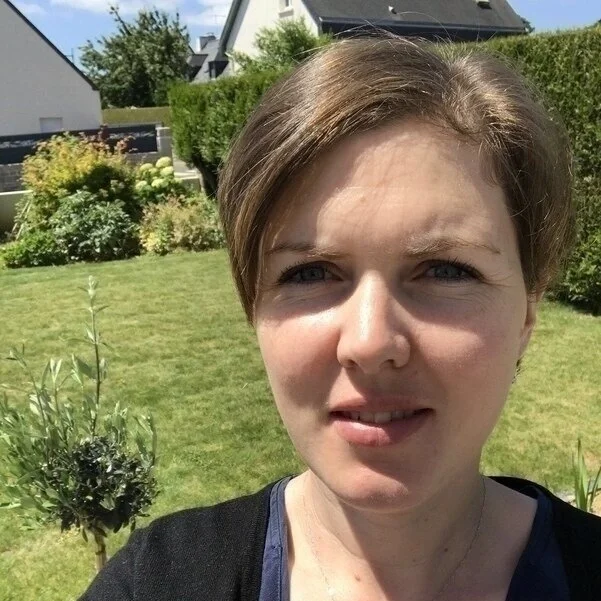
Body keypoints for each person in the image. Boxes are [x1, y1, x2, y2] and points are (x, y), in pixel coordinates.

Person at [80, 35, 601, 601]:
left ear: (527, 312)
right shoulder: (155, 584)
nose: (370, 341)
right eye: (309, 273)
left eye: (446, 270)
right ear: (254, 309)